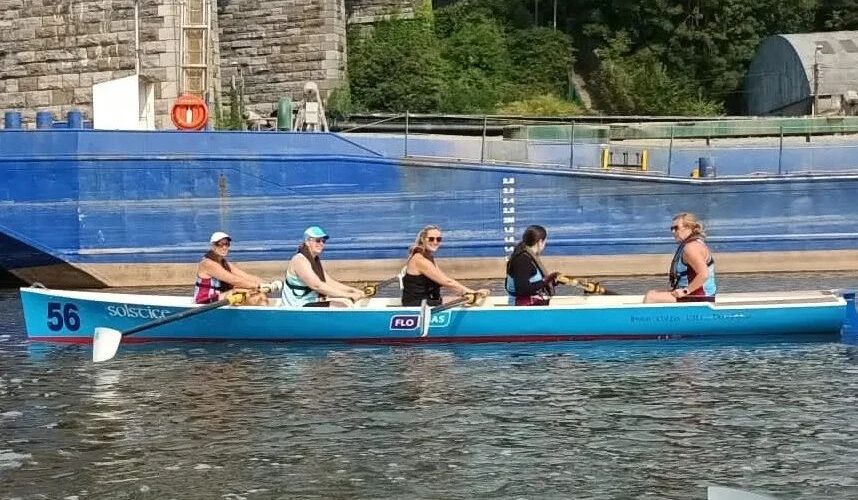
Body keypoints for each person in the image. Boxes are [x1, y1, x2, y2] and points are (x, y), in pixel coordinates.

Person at [400, 225, 489, 307]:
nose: (435, 242)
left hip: (428, 301)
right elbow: (447, 282)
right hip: (416, 304)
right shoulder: (419, 260)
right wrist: (471, 292)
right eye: (431, 239)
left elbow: (443, 278)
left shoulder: (429, 257)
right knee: (461, 300)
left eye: (438, 239)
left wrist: (466, 293)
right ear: (423, 239)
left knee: (458, 299)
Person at [281, 226, 365, 307]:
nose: (321, 244)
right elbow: (317, 286)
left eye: (323, 241)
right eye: (317, 240)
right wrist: (347, 295)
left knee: (345, 302)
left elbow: (328, 282)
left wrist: (352, 290)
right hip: (297, 305)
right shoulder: (300, 260)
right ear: (307, 242)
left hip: (310, 302)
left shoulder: (314, 260)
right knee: (342, 305)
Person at [644, 213, 717, 303]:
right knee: (653, 292)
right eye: (672, 229)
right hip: (695, 295)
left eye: (676, 228)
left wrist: (685, 291)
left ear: (689, 228)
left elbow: (704, 274)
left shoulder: (691, 248)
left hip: (700, 298)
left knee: (651, 298)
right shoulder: (691, 244)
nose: (673, 232)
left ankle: (639, 317)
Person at [193, 231, 274, 306]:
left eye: (227, 244)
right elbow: (234, 280)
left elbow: (245, 276)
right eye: (220, 244)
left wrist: (269, 284)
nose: (224, 247)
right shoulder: (208, 263)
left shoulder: (225, 263)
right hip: (204, 301)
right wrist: (259, 286)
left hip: (219, 297)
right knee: (248, 293)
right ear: (213, 246)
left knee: (260, 294)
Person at [505, 225, 562, 306]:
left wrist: (551, 281)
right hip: (522, 308)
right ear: (540, 242)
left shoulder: (528, 257)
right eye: (545, 242)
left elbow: (534, 284)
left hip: (532, 303)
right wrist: (546, 280)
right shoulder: (522, 260)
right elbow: (522, 290)